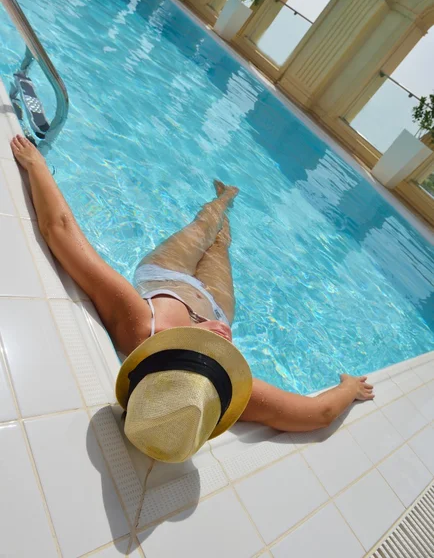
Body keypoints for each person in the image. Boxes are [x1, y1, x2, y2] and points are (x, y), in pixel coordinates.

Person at [11, 134, 374, 463]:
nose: (223, 337)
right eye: (220, 354)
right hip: (215, 300)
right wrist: (349, 388)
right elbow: (318, 414)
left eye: (210, 345)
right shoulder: (221, 389)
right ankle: (227, 201)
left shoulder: (139, 324)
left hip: (166, 273)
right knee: (220, 245)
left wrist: (36, 165)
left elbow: (60, 230)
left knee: (203, 227)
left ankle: (224, 199)